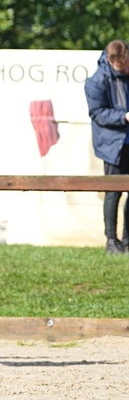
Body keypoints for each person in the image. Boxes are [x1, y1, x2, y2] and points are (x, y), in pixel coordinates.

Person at [84, 40, 129, 254]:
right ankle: (111, 241)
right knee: (113, 192)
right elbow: (97, 113)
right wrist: (124, 116)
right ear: (111, 62)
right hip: (113, 145)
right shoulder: (96, 81)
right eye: (122, 66)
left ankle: (128, 241)